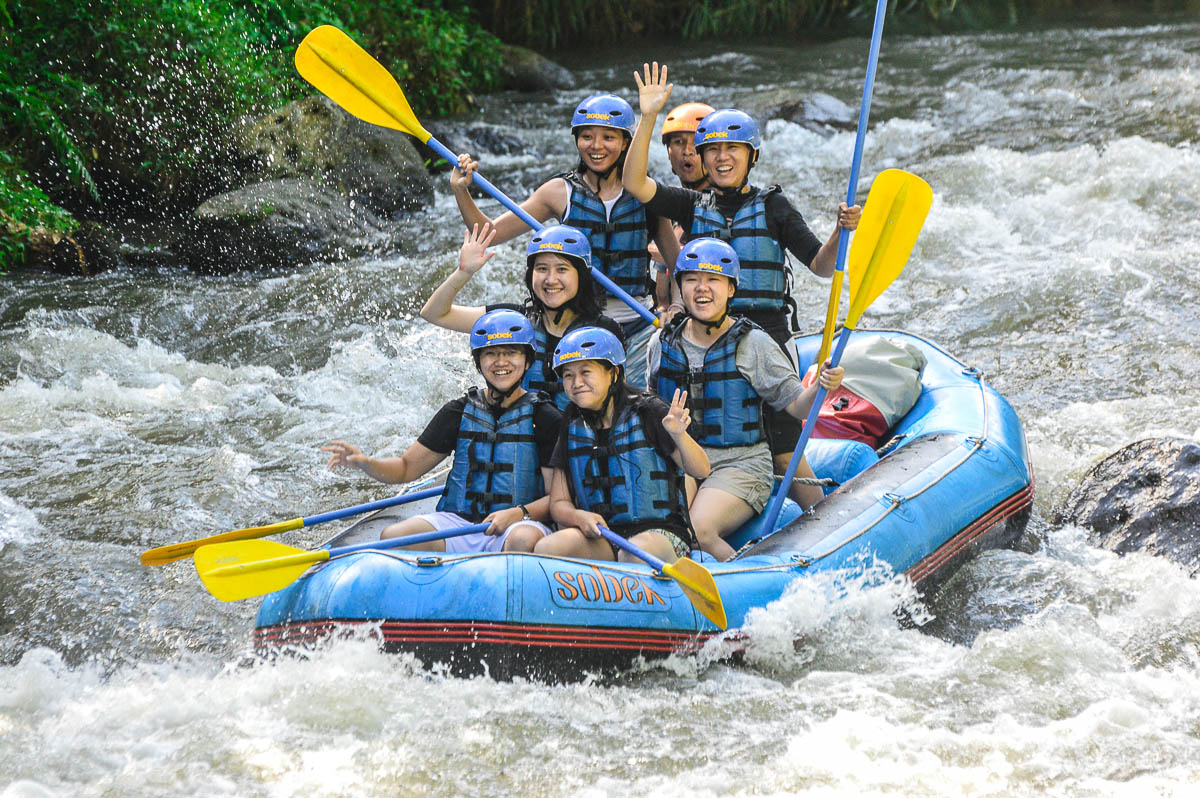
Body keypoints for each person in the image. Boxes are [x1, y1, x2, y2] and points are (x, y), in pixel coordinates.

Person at [623, 62, 861, 502]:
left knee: (785, 455)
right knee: (699, 448)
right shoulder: (693, 204)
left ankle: (822, 522)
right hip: (706, 339)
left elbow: (822, 267)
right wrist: (649, 114)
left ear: (751, 156)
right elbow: (635, 183)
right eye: (712, 149)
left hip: (766, 334)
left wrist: (839, 233)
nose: (722, 157)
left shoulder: (774, 207)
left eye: (733, 149)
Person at [449, 93, 680, 389]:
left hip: (637, 325)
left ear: (626, 142)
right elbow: (489, 231)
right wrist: (461, 191)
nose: (596, 146)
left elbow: (677, 265)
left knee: (633, 411)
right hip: (576, 326)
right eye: (587, 136)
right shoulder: (559, 192)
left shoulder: (646, 194)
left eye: (608, 137)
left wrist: (675, 306)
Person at [649, 238, 844, 560]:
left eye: (713, 280)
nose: (702, 289)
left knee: (699, 530)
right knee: (667, 529)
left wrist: (821, 387)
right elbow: (653, 406)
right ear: (679, 287)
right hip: (683, 460)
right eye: (692, 280)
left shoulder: (754, 344)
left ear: (731, 290)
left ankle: (741, 585)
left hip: (740, 462)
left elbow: (796, 405)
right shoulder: (661, 342)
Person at [322, 310, 560, 554]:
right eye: (491, 354)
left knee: (522, 539)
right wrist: (366, 463)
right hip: (459, 525)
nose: (501, 362)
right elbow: (406, 467)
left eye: (511, 353)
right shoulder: (459, 411)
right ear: (479, 362)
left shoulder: (544, 417)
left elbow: (557, 499)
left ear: (528, 361)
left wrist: (519, 513)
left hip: (519, 524)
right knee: (394, 536)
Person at [533, 327, 710, 564]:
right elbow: (558, 503)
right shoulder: (571, 425)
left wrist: (679, 435)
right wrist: (578, 516)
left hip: (662, 535)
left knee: (633, 554)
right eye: (568, 375)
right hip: (606, 537)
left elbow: (701, 470)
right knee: (547, 547)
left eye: (586, 372)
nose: (576, 383)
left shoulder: (650, 411)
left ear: (614, 374)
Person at [420, 222, 623, 410]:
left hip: (576, 438)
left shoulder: (604, 331)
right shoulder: (512, 320)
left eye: (562, 269)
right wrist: (463, 272)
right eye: (542, 269)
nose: (551, 280)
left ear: (581, 275)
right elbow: (435, 314)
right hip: (524, 433)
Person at [650, 101, 716, 319]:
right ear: (668, 152)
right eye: (678, 143)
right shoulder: (670, 204)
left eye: (695, 143)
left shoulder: (725, 206)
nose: (687, 152)